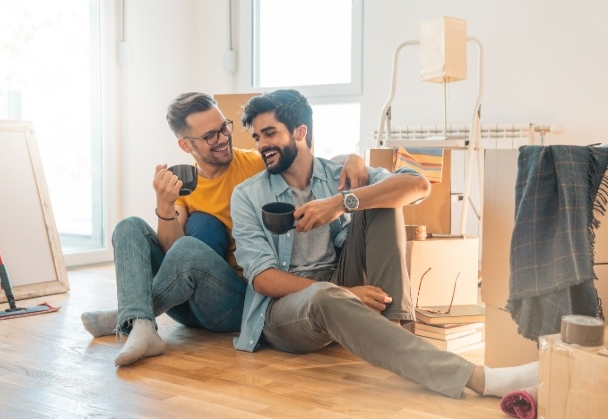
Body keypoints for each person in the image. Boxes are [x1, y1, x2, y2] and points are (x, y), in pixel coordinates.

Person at [230, 89, 539, 399]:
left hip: (339, 280)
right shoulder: (247, 195)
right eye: (257, 137)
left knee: (383, 198)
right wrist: (347, 294)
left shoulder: (339, 176)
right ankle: (480, 379)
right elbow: (263, 279)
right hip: (286, 311)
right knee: (323, 296)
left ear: (300, 132)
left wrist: (343, 202)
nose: (261, 145)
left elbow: (416, 184)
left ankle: (398, 332)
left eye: (269, 133)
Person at [81, 92, 369, 366]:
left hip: (236, 299)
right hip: (185, 298)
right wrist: (165, 207)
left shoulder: (257, 164)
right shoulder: (185, 185)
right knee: (128, 226)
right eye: (209, 136)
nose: (222, 140)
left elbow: (305, 160)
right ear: (185, 145)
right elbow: (172, 256)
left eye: (224, 128)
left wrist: (353, 158)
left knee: (191, 247)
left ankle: (132, 316)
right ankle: (140, 320)